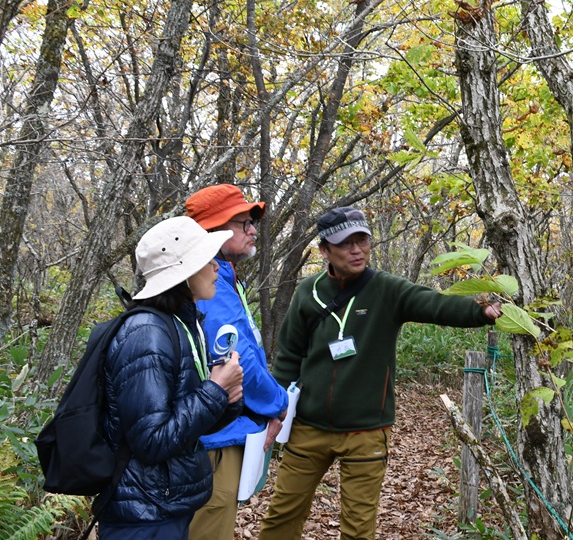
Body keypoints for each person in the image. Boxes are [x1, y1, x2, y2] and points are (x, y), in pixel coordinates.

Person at [258, 207, 501, 540]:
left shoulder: (386, 290)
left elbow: (433, 303)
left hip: (366, 432)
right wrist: (275, 410)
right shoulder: (308, 292)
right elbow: (288, 356)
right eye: (345, 244)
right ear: (324, 250)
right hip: (308, 428)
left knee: (358, 529)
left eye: (363, 241)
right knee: (281, 516)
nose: (357, 250)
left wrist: (482, 311)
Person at [98, 216, 245, 539]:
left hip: (164, 505)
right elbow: (151, 441)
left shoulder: (183, 324)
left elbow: (188, 426)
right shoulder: (147, 334)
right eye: (206, 260)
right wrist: (215, 388)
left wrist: (227, 397)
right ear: (184, 272)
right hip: (142, 515)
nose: (216, 267)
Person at [184, 184, 289, 540]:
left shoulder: (225, 279)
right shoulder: (209, 286)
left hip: (215, 435)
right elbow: (238, 362)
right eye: (243, 222)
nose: (253, 230)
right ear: (213, 230)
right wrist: (279, 402)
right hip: (213, 441)